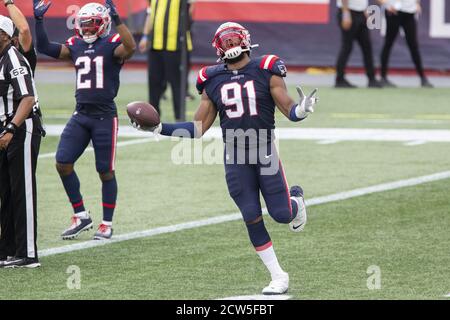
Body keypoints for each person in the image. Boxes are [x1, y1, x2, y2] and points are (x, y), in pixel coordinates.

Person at [132, 22, 317, 294]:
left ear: (245, 41)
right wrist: (161, 128)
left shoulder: (267, 67)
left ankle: (296, 201)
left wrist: (301, 110)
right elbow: (198, 128)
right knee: (251, 215)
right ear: (219, 48)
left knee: (280, 214)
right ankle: (278, 276)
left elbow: (288, 107)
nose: (231, 46)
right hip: (234, 154)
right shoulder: (211, 78)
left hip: (263, 149)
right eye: (226, 42)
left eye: (234, 40)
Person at [34, 0, 136, 240]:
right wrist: (38, 21)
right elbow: (45, 47)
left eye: (92, 25)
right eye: (84, 25)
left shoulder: (112, 44)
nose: (87, 29)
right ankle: (80, 215)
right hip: (81, 115)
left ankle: (106, 223)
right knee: (63, 162)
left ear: (103, 25)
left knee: (105, 171)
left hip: (104, 116)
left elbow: (130, 47)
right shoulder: (76, 45)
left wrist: (119, 20)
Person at [0, 15, 42, 268]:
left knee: (22, 191)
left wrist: (11, 129)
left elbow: (27, 98)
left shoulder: (13, 57)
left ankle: (27, 254)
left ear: (4, 34)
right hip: (5, 130)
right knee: (6, 191)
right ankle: (7, 250)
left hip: (21, 128)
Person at [138, 0, 193, 121]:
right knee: (154, 83)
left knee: (177, 84)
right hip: (155, 44)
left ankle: (179, 117)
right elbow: (150, 13)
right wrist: (145, 36)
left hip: (176, 46)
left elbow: (190, 12)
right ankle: (152, 118)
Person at [378, 0, 432, 87]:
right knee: (388, 44)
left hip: (409, 13)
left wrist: (417, 3)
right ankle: (383, 77)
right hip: (394, 12)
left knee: (413, 46)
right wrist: (387, 5)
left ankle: (423, 78)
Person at [335, 0, 382, 88]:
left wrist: (364, 10)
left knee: (367, 47)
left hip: (360, 13)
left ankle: (371, 79)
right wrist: (346, 13)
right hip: (349, 12)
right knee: (347, 47)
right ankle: (339, 79)